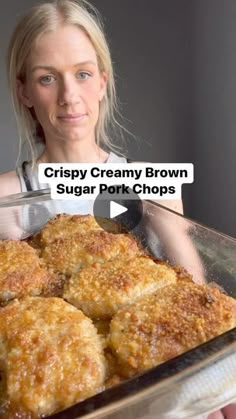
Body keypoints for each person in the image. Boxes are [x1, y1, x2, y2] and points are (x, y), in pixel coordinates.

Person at [0, 1, 234, 418]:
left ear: (103, 82)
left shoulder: (151, 184)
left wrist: (210, 384)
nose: (70, 96)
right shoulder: (5, 198)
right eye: (47, 78)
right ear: (25, 91)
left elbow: (198, 302)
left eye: (83, 74)